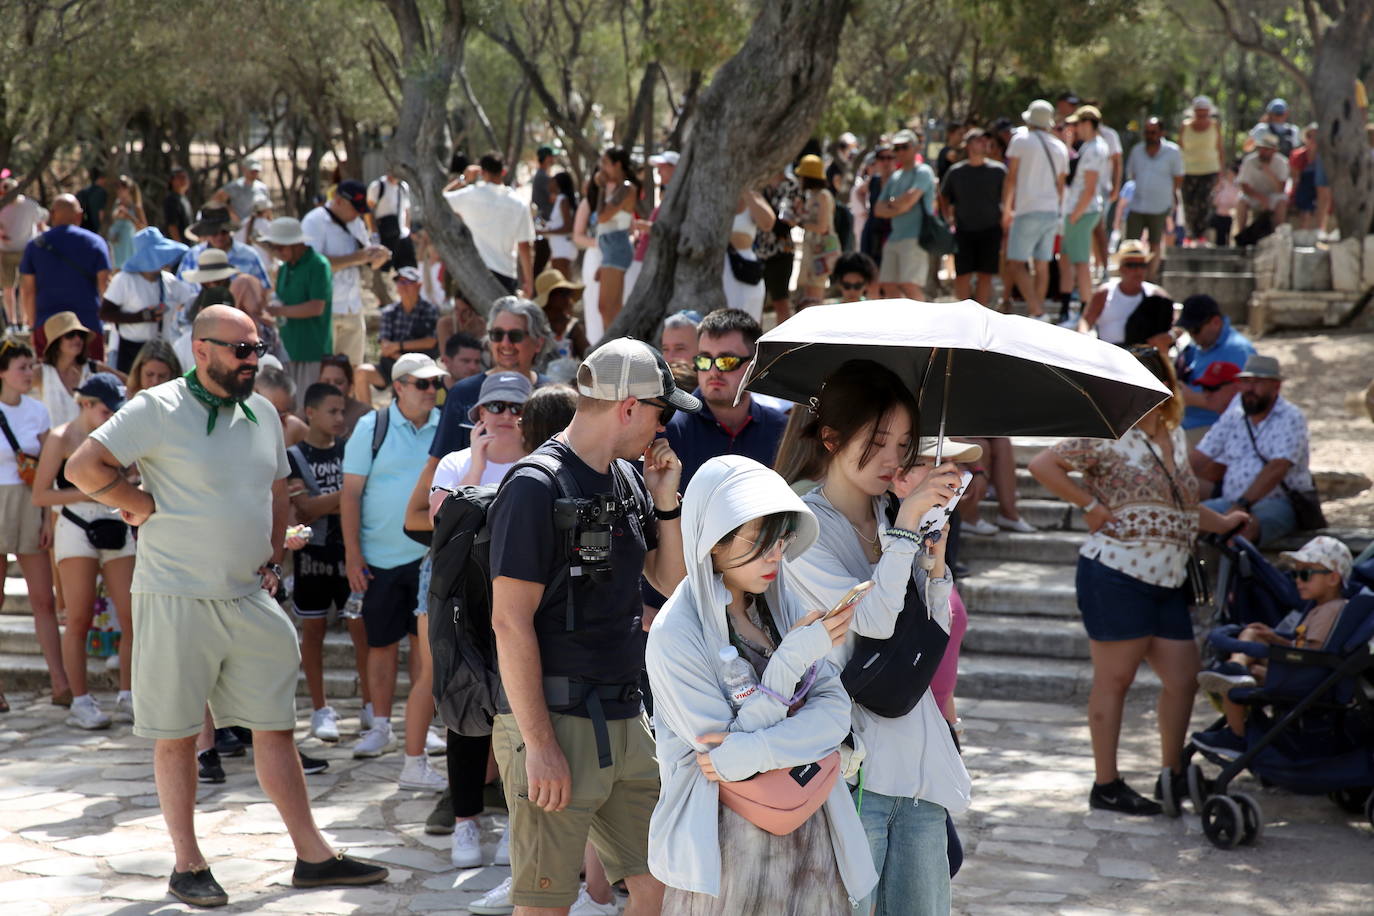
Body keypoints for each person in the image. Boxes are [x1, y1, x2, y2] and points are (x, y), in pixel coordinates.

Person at [65, 305, 387, 906]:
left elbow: (275, 490)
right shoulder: (156, 407)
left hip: (247, 595)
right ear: (202, 350)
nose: (252, 359)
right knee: (178, 734)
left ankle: (313, 856)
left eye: (257, 347)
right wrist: (137, 502)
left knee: (276, 728)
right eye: (239, 349)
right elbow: (83, 466)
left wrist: (272, 558)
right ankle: (187, 865)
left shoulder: (264, 412)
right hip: (175, 596)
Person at [487, 338, 699, 914]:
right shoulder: (535, 486)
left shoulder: (629, 479)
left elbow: (667, 582)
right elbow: (509, 622)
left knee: (664, 885)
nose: (664, 428)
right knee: (545, 902)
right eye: (662, 411)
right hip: (557, 721)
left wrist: (666, 503)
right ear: (629, 407)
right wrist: (539, 745)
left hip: (626, 718)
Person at [645, 455, 878, 913]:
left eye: (782, 540)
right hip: (725, 846)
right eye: (762, 542)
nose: (777, 555)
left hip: (811, 829)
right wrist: (790, 662)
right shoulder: (677, 630)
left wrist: (754, 750)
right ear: (713, 541)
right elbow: (722, 756)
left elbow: (833, 714)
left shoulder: (782, 602)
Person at [779, 359, 969, 915]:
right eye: (878, 440)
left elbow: (936, 621)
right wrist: (909, 527)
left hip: (917, 758)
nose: (894, 459)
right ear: (832, 437)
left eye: (906, 444)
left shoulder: (893, 515)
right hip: (849, 767)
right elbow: (875, 621)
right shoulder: (800, 528)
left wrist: (933, 558)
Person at [1029, 347, 1250, 815]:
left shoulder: (1173, 437)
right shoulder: (1108, 430)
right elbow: (1043, 464)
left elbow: (1183, 508)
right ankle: (1106, 784)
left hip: (1168, 580)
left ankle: (1171, 774)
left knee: (1183, 678)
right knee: (1116, 680)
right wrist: (1090, 507)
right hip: (1115, 574)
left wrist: (1228, 521)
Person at [341, 353, 447, 790]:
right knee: (380, 645)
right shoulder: (371, 427)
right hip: (380, 558)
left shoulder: (446, 424)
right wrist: (352, 556)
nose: (430, 391)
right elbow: (349, 496)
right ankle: (381, 725)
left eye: (434, 384)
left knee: (425, 650)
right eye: (421, 384)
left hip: (430, 558)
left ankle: (422, 729)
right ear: (398, 386)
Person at [31, 372, 135, 729]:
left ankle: (129, 694)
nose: (112, 417)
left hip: (116, 523)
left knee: (132, 615)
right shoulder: (61, 438)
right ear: (86, 404)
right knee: (77, 618)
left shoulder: (120, 433)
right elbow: (40, 495)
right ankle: (80, 700)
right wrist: (90, 489)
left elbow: (134, 476)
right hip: (76, 525)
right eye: (106, 410)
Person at [1192, 535, 1354, 760]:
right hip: (1300, 670)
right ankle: (1236, 668)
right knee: (1255, 635)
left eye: (1305, 574)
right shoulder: (1319, 607)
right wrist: (1276, 639)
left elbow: (1311, 654)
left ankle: (1236, 735)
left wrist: (1273, 656)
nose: (1298, 580)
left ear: (1333, 578)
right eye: (1296, 574)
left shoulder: (1329, 611)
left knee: (1242, 677)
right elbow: (1302, 646)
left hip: (1304, 677)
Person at [286, 382, 371, 743]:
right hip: (312, 559)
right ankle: (321, 708)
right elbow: (304, 507)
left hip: (350, 554)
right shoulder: (294, 455)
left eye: (342, 411)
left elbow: (361, 500)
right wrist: (348, 495)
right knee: (314, 632)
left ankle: (371, 705)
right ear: (310, 413)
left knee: (362, 631)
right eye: (332, 411)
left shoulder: (351, 450)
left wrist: (334, 501)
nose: (340, 418)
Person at [0, 338, 71, 705]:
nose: (29, 374)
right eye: (21, 368)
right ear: (3, 372)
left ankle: (61, 683)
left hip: (30, 504)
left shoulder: (37, 411)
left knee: (43, 599)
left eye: (31, 367)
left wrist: (47, 517)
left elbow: (49, 466)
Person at [1191, 354, 1315, 547]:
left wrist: (1243, 504)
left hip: (1276, 503)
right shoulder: (1234, 416)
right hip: (1230, 501)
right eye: (1245, 382)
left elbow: (1277, 467)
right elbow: (1200, 456)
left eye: (1257, 382)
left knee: (1242, 530)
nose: (1249, 389)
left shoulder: (1291, 417)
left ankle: (1239, 577)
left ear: (1276, 387)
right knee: (1185, 519)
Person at [663, 308, 788, 489]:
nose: (713, 372)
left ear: (755, 365)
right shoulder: (669, 429)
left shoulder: (781, 430)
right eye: (705, 360)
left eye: (727, 361)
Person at [430, 296, 553, 459]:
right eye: (497, 334)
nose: (505, 343)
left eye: (515, 335)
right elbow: (438, 463)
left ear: (538, 343)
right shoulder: (462, 393)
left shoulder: (552, 396)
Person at [301, 180, 388, 368]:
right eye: (354, 208)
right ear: (339, 201)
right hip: (325, 311)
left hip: (352, 307)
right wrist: (356, 258)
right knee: (322, 372)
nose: (358, 214)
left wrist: (377, 258)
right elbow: (312, 266)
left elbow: (365, 257)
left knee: (352, 372)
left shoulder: (356, 223)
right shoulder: (314, 221)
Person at [19, 195, 112, 357]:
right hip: (88, 325)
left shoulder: (34, 246)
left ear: (52, 214)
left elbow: (28, 292)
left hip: (48, 327)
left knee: (49, 378)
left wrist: (33, 326)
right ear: (79, 215)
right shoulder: (96, 243)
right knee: (91, 378)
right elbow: (105, 287)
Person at [1002, 99, 1069, 319]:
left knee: (1015, 262)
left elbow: (1011, 178)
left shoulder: (1021, 140)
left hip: (1027, 209)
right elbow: (1061, 185)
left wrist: (1006, 208)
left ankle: (1036, 309)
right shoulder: (1059, 147)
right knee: (1042, 265)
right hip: (1050, 211)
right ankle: (1037, 313)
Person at [99, 227, 195, 372]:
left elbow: (190, 302)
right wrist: (142, 317)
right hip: (131, 349)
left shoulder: (169, 281)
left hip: (162, 349)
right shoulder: (124, 280)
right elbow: (105, 313)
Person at [443, 153, 536, 297]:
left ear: (482, 172)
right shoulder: (519, 204)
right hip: (505, 274)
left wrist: (463, 179)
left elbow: (440, 202)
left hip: (473, 273)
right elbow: (524, 246)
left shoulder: (470, 195)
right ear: (503, 172)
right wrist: (529, 282)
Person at [262, 217, 332, 403]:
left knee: (306, 406)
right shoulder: (284, 268)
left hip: (312, 350)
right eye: (274, 247)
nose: (278, 252)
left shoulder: (318, 265)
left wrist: (280, 311)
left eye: (281, 247)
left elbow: (317, 307)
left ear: (297, 243)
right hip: (286, 348)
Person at [1174, 294, 1256, 444]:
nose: (1192, 335)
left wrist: (1194, 399)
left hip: (1217, 428)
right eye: (1189, 330)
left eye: (1195, 330)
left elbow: (1246, 402)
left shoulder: (1238, 350)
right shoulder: (1199, 345)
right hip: (1189, 425)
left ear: (1216, 322)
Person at [939, 127, 1006, 306]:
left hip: (991, 229)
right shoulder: (956, 172)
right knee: (962, 275)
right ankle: (963, 314)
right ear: (968, 145)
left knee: (986, 275)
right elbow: (943, 196)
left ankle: (981, 315)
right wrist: (948, 219)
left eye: (986, 140)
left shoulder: (999, 171)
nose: (984, 143)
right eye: (979, 140)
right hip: (963, 230)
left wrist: (1005, 219)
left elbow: (1007, 198)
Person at [354, 265, 440, 400]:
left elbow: (431, 341)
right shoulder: (389, 312)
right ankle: (369, 417)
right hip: (389, 368)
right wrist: (399, 354)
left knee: (410, 384)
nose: (403, 286)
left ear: (418, 285)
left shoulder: (430, 310)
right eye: (400, 282)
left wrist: (399, 347)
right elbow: (385, 347)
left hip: (419, 369)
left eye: (407, 282)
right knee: (361, 372)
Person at [874, 129, 935, 301]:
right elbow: (878, 209)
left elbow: (910, 201)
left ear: (915, 148)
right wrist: (898, 204)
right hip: (894, 237)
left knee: (909, 285)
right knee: (889, 285)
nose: (899, 152)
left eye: (904, 147)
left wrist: (892, 204)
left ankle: (925, 325)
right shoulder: (895, 177)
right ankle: (899, 326)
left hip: (916, 237)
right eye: (896, 148)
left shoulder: (923, 172)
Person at [33, 312, 121, 428]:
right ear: (56, 342)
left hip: (90, 445)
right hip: (54, 444)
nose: (78, 338)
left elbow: (131, 384)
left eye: (81, 334)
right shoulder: (41, 373)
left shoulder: (95, 368)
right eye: (70, 334)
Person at [1060, 106, 1109, 310]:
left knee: (1080, 261)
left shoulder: (1096, 148)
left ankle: (1084, 308)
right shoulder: (1088, 146)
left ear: (1088, 124)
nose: (1076, 128)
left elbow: (1089, 188)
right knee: (1066, 258)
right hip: (1077, 209)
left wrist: (1076, 214)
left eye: (1078, 123)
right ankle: (1067, 306)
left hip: (1083, 211)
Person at [1125, 118, 1184, 280]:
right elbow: (1132, 175)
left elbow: (1178, 179)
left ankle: (1150, 277)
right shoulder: (1136, 151)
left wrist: (1170, 198)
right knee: (1131, 243)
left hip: (1160, 205)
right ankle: (1130, 276)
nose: (1150, 136)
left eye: (1153, 132)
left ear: (1161, 132)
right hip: (1137, 204)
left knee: (1155, 243)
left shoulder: (1173, 151)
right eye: (1147, 132)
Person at [1077, 240, 1165, 344]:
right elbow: (1086, 321)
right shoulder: (1104, 292)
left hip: (1144, 355)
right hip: (1108, 353)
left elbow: (1172, 327)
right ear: (1121, 268)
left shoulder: (1156, 294)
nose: (1138, 270)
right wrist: (1084, 336)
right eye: (1131, 265)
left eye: (1142, 265)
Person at [591, 147, 641, 328]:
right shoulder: (618, 188)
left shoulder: (626, 188)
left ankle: (613, 349)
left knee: (607, 308)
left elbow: (602, 216)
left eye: (605, 163)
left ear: (617, 164)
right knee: (610, 308)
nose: (602, 168)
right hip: (610, 247)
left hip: (616, 246)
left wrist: (602, 188)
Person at [176, 205, 273, 293]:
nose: (219, 237)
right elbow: (179, 291)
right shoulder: (192, 255)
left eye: (224, 232)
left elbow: (264, 289)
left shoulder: (249, 255)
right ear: (206, 233)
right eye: (214, 233)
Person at [0, 177, 48, 330]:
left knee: (25, 288)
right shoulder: (2, 205)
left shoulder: (30, 205)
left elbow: (41, 223)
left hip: (26, 251)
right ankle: (12, 322)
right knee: (8, 288)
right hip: (5, 252)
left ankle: (25, 321)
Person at [722, 188, 775, 320]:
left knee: (748, 318)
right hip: (719, 265)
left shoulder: (752, 196)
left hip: (744, 265)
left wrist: (747, 193)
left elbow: (768, 223)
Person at [1178, 97, 1224, 245]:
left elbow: (1219, 148)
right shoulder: (1185, 126)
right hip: (1188, 170)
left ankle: (1201, 236)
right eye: (1199, 114)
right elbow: (1180, 148)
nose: (1202, 117)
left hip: (1209, 169)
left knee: (1204, 202)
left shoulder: (1215, 126)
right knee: (1189, 203)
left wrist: (1221, 172)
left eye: (1205, 114)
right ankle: (1189, 234)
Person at [758, 168, 801, 321]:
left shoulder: (791, 184)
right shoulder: (757, 182)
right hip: (757, 250)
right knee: (756, 303)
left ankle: (783, 344)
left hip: (782, 251)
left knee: (781, 301)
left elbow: (791, 219)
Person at [796, 154, 838, 306]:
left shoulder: (823, 196)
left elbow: (822, 227)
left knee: (815, 297)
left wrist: (799, 222)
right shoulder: (811, 196)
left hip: (821, 251)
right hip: (811, 250)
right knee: (807, 295)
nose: (799, 179)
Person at [1234, 134, 1291, 234]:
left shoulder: (1282, 162)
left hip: (1274, 195)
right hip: (1253, 194)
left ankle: (1278, 235)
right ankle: (1241, 234)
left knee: (1281, 202)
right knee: (1241, 201)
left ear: (1274, 150)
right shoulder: (1249, 161)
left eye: (1266, 149)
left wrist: (1269, 173)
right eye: (1261, 149)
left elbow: (1281, 188)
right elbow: (1243, 186)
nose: (1262, 152)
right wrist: (1260, 198)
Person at [534, 267, 589, 362]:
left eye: (568, 292)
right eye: (563, 292)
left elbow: (589, 358)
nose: (568, 296)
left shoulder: (572, 327)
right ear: (549, 297)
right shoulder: (536, 327)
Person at [366, 171, 416, 270]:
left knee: (406, 269)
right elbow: (368, 212)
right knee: (384, 268)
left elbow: (406, 210)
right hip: (385, 234)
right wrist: (374, 234)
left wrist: (408, 229)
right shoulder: (378, 186)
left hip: (402, 235)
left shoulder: (403, 186)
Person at [318, 354, 372, 438]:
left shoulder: (365, 415)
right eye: (326, 382)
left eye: (338, 382)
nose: (332, 387)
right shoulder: (309, 413)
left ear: (350, 386)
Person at [105, 175, 149, 268]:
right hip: (115, 248)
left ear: (130, 189)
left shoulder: (136, 208)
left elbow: (145, 228)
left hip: (130, 249)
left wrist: (129, 216)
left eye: (123, 186)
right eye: (117, 186)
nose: (119, 189)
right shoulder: (115, 205)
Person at [212, 157, 272, 222]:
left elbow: (267, 209)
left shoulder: (263, 188)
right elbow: (216, 201)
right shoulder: (234, 186)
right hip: (238, 226)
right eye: (252, 171)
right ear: (244, 169)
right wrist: (230, 213)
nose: (255, 173)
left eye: (256, 171)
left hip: (256, 226)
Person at [544, 171, 579, 277]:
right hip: (558, 249)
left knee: (564, 286)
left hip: (563, 249)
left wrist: (545, 232)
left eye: (552, 181)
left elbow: (568, 227)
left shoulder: (563, 200)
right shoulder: (560, 200)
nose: (549, 184)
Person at [75, 167, 110, 235]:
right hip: (94, 229)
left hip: (81, 227)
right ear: (100, 178)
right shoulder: (101, 192)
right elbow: (101, 213)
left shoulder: (83, 192)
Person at [163, 167, 194, 243]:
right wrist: (179, 245)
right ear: (172, 181)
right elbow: (172, 226)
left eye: (185, 177)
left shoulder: (184, 199)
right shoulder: (171, 200)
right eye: (180, 177)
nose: (184, 180)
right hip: (178, 246)